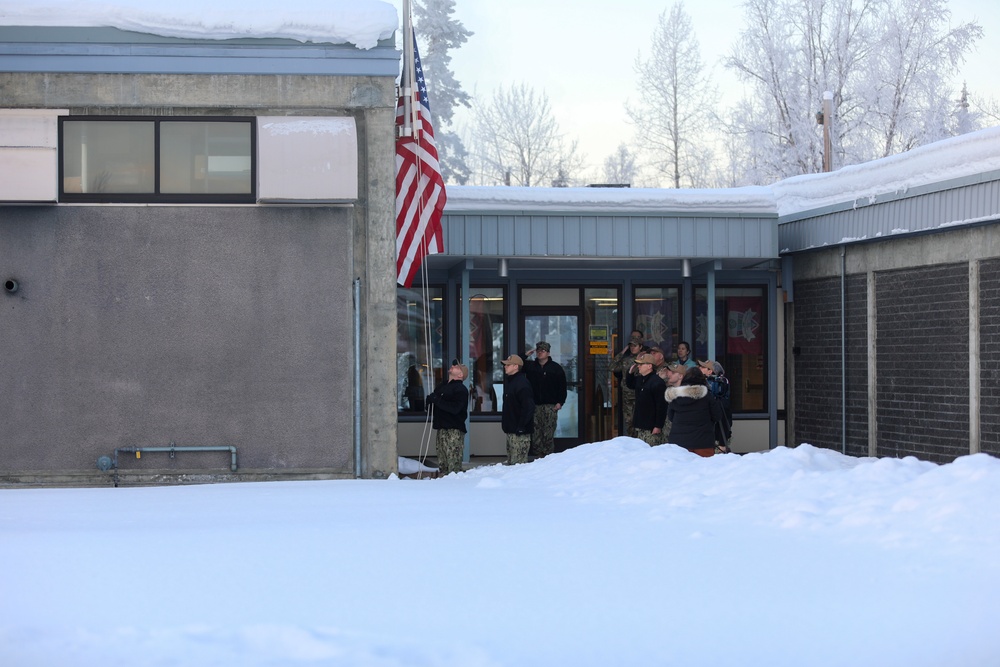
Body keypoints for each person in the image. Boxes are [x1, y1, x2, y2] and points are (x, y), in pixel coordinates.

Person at [665, 367, 726, 457]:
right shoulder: (707, 396)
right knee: (704, 469)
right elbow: (717, 416)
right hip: (703, 443)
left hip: (679, 444)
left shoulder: (675, 396)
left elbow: (671, 417)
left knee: (680, 470)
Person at [523, 341, 567, 459]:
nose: (539, 353)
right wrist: (526, 354)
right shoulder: (531, 366)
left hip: (550, 405)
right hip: (535, 405)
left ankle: (548, 457)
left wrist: (560, 402)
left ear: (548, 352)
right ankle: (537, 456)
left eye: (542, 351)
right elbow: (517, 364)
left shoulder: (556, 368)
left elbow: (562, 387)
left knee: (548, 432)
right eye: (538, 351)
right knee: (536, 432)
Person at [425, 362, 470, 475]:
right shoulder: (443, 386)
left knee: (452, 463)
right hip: (441, 428)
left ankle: (454, 485)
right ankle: (444, 485)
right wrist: (429, 401)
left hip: (453, 430)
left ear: (460, 375)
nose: (453, 366)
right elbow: (435, 406)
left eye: (457, 367)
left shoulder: (461, 389)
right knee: (443, 462)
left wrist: (437, 400)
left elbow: (455, 409)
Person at [626, 352, 667, 447]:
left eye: (641, 364)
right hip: (640, 424)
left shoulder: (657, 382)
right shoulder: (640, 379)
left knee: (650, 451)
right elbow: (630, 384)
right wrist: (630, 373)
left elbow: (661, 406)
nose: (638, 366)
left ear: (649, 366)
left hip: (651, 427)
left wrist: (658, 426)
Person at [500, 354, 535, 465]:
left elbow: (529, 406)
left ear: (516, 366)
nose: (505, 367)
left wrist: (521, 426)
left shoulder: (522, 383)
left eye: (508, 365)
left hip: (520, 433)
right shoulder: (511, 382)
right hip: (512, 431)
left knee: (518, 466)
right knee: (512, 464)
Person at [610, 333, 645, 437]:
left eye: (635, 346)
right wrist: (621, 353)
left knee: (641, 421)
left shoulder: (645, 360)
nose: (632, 348)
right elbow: (612, 367)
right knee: (629, 422)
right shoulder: (626, 360)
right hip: (627, 396)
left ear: (640, 346)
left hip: (640, 396)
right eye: (631, 346)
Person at [698, 359, 733, 453]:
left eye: (702, 367)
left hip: (717, 437)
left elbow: (723, 420)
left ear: (710, 371)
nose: (699, 368)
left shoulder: (720, 393)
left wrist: (722, 444)